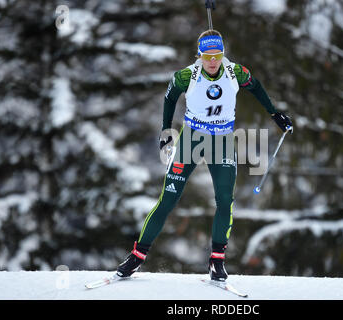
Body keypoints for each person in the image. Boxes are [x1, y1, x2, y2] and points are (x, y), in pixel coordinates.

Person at [116, 30, 292, 282]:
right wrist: (166, 130)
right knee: (168, 199)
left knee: (224, 200)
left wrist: (275, 115)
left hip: (221, 141)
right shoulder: (187, 75)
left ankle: (217, 261)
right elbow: (170, 97)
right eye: (207, 56)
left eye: (217, 55)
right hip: (192, 139)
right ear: (199, 55)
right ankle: (137, 256)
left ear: (223, 54)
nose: (212, 61)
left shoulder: (235, 73)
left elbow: (256, 87)